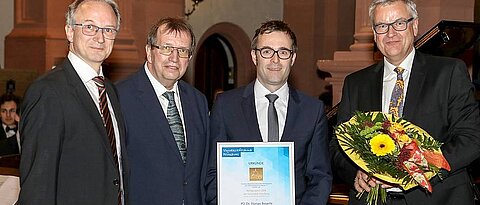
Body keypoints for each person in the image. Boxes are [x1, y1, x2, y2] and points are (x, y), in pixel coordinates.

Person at [329, 0, 480, 204]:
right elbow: (337, 145)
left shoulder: (449, 73)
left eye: (399, 23)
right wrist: (355, 171)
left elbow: (471, 139)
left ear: (415, 25)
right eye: (382, 26)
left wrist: (416, 171)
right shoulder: (355, 83)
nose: (391, 33)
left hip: (437, 197)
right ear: (374, 34)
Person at [205, 20, 333, 205]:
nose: (275, 60)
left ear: (293, 58)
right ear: (254, 57)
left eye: (283, 52)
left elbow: (320, 177)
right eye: (266, 51)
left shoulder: (312, 111)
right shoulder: (225, 106)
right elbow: (212, 172)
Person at [18, 0, 128, 204]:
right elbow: (37, 186)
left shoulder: (110, 91)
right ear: (69, 31)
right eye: (89, 27)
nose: (100, 37)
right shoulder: (48, 92)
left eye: (108, 29)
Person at [116, 17, 209, 205]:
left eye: (182, 51)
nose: (174, 58)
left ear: (189, 58)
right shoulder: (120, 98)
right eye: (166, 48)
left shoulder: (198, 101)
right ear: (149, 52)